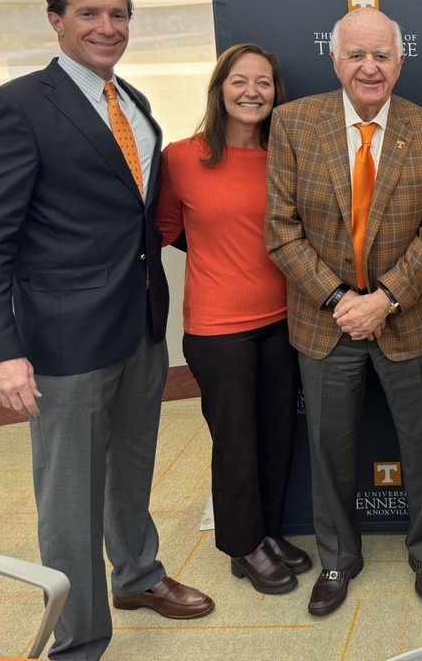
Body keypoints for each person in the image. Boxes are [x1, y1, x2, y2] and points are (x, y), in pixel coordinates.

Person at [0, 0, 213, 660]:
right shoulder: (14, 105)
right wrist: (1, 349)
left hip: (138, 324)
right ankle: (79, 638)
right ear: (55, 21)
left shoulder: (130, 99)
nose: (108, 28)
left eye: (120, 15)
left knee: (133, 466)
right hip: (64, 339)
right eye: (90, 14)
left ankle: (137, 575)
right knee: (70, 496)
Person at [265, 7, 422, 616]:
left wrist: (386, 298)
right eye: (355, 55)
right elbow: (281, 230)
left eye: (381, 56)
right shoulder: (293, 124)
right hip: (325, 322)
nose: (368, 67)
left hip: (408, 317)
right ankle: (338, 560)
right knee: (329, 449)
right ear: (335, 59)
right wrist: (343, 300)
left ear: (401, 62)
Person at [155, 43, 311, 595]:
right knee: (236, 440)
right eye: (240, 81)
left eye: (264, 83)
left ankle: (266, 533)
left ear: (276, 93)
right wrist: (219, 259)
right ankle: (241, 546)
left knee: (276, 433)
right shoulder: (181, 156)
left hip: (282, 319)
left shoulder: (285, 155)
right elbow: (166, 231)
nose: (252, 92)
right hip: (218, 327)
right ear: (219, 89)